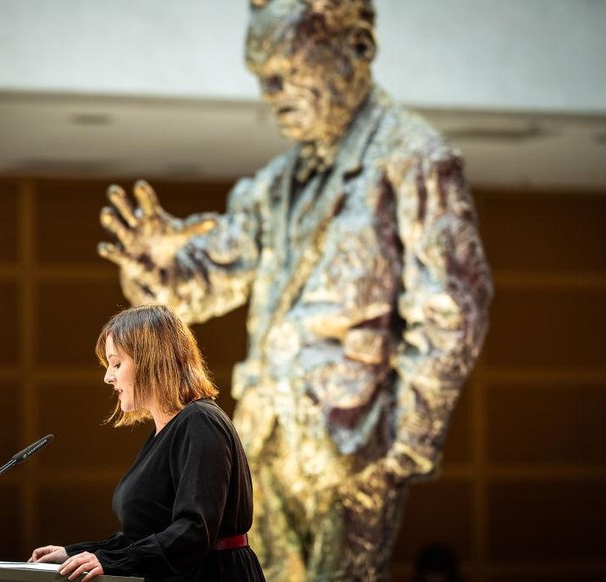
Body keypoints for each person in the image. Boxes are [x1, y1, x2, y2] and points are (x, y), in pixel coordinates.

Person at [96, 1, 492, 580]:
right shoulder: (275, 184)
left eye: (287, 70)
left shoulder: (413, 160)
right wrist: (160, 264)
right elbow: (207, 282)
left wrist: (399, 450)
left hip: (353, 452)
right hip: (269, 441)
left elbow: (452, 309)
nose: (271, 92)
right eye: (262, 78)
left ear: (356, 48)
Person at [28, 304, 266, 582]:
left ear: (150, 360)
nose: (108, 377)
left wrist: (112, 561)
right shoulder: (164, 431)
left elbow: (194, 531)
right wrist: (74, 553)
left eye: (117, 364)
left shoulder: (200, 421)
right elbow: (145, 535)